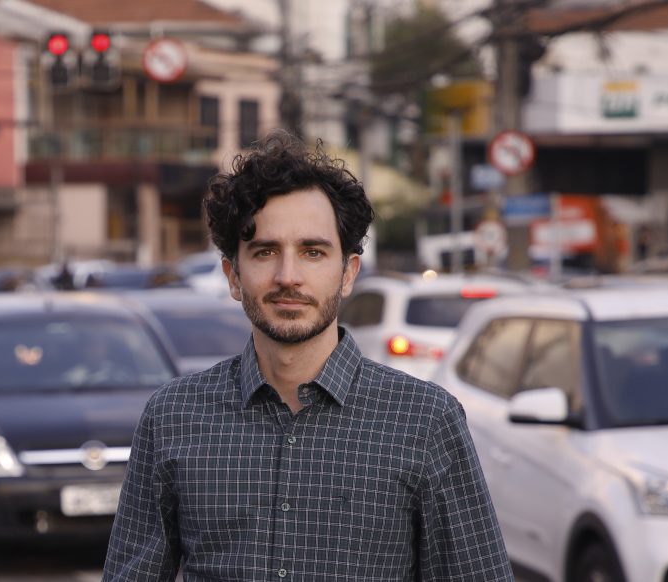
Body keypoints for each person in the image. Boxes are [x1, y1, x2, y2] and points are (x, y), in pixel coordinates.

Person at [103, 130, 512, 581]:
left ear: (347, 272)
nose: (288, 276)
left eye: (313, 252)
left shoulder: (425, 422)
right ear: (233, 275)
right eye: (265, 252)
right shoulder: (173, 418)